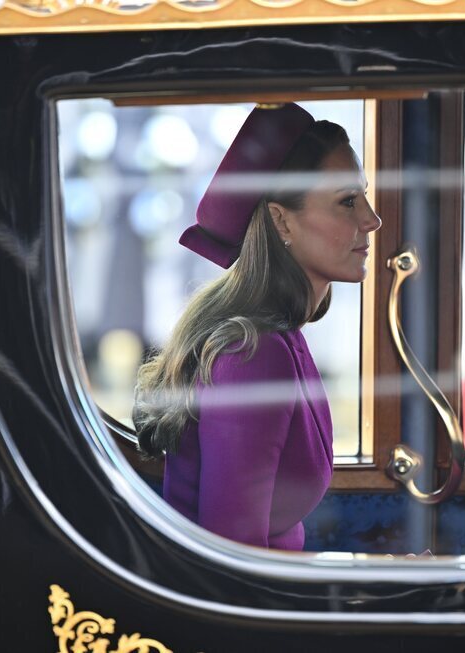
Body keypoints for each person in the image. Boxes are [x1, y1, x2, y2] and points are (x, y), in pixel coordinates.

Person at [132, 103, 381, 550]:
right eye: (347, 202)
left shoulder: (281, 340)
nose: (371, 220)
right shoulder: (253, 354)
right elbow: (235, 567)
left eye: (363, 197)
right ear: (281, 220)